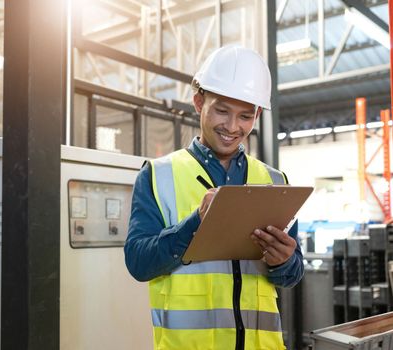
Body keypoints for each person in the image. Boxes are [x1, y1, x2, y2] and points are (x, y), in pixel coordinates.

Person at [124, 45, 304, 350]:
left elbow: (291, 275)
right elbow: (139, 263)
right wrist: (194, 224)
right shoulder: (158, 175)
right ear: (198, 102)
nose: (232, 127)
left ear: (257, 114)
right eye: (222, 110)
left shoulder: (275, 182)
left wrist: (285, 261)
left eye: (245, 116)